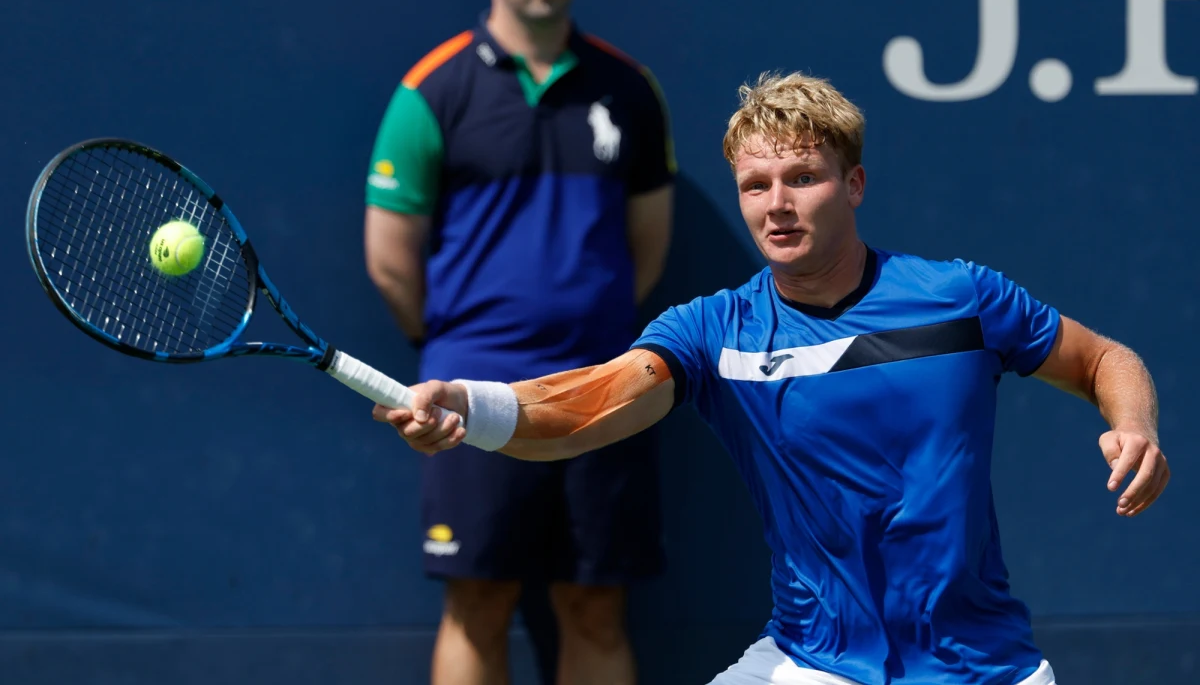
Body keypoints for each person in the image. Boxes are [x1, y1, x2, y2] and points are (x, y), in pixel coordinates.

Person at [374, 72, 1171, 685]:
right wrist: (471, 404)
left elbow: (1104, 358)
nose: (777, 205)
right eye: (757, 185)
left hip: (981, 665)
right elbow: (586, 405)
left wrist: (1135, 426)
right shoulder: (714, 331)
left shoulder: (959, 297)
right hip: (812, 661)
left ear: (853, 186)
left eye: (803, 178)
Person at [363, 0, 675, 683]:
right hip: (475, 385)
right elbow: (391, 259)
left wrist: (592, 339)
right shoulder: (431, 91)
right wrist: (458, 348)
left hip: (601, 385)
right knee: (479, 599)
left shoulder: (628, 89)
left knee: (596, 605)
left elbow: (648, 246)